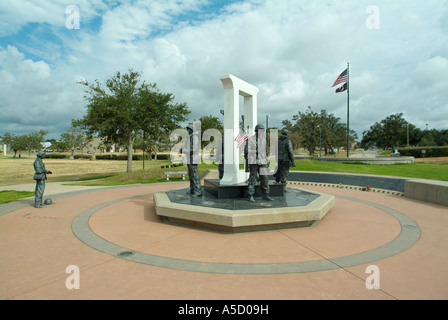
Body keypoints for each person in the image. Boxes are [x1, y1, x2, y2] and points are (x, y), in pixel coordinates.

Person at [244, 124, 273, 203]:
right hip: (253, 161)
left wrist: (267, 162)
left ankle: (266, 194)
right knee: (252, 178)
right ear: (256, 131)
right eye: (259, 130)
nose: (261, 132)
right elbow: (247, 151)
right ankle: (250, 195)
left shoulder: (263, 140)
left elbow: (265, 152)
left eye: (262, 131)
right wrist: (257, 151)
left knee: (264, 178)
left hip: (262, 161)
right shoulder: (250, 139)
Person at [185, 125, 202, 197]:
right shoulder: (190, 137)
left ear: (191, 130)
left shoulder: (194, 137)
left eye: (188, 129)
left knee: (194, 175)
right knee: (191, 175)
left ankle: (197, 191)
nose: (187, 130)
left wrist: (184, 150)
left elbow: (194, 150)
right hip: (190, 158)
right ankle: (192, 189)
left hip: (193, 158)